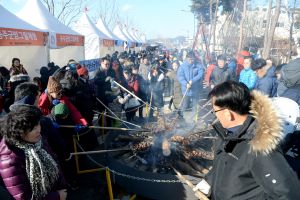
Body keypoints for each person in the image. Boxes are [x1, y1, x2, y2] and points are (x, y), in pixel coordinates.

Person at [194, 81, 300, 199]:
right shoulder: (227, 135)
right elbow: (222, 165)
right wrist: (209, 180)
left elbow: (289, 194)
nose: (215, 116)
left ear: (228, 114)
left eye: (215, 111)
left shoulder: (260, 147)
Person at [0, 105, 67, 200]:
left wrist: (61, 186)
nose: (38, 130)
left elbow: (55, 163)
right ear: (19, 132)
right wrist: (57, 196)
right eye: (32, 128)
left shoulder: (38, 141)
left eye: (38, 124)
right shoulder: (9, 160)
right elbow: (23, 197)